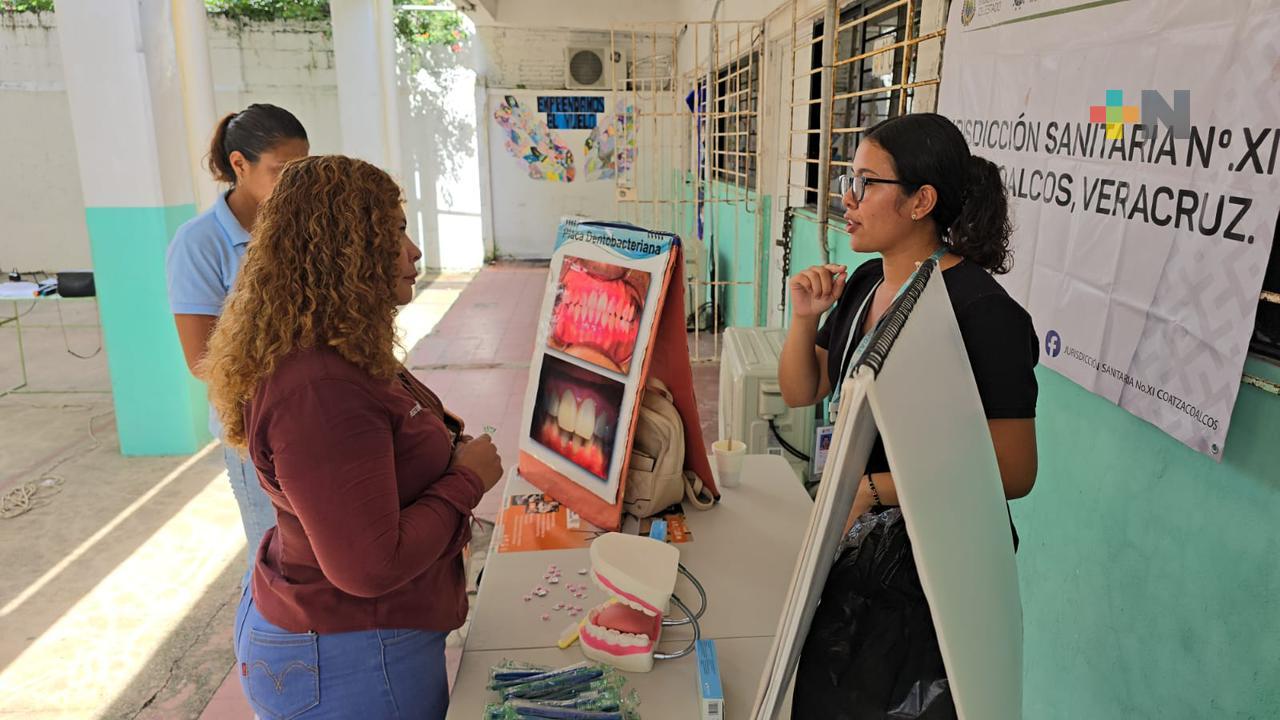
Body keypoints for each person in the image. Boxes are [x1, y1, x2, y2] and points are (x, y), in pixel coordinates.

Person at [202, 155, 504, 719]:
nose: (413, 251)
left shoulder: (340, 348)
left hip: (353, 639)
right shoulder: (319, 390)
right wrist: (467, 480)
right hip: (350, 653)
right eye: (394, 233)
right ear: (343, 251)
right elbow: (369, 567)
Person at [778, 112, 1039, 718]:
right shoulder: (868, 282)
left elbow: (1014, 471)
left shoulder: (982, 311)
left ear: (922, 201)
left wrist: (872, 489)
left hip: (927, 574)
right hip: (854, 552)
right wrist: (804, 318)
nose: (848, 198)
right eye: (849, 179)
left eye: (867, 182)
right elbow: (802, 389)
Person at [165, 104, 310, 573]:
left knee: (322, 554)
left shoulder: (301, 227)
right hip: (256, 430)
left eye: (302, 170)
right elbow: (202, 359)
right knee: (277, 559)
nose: (295, 185)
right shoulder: (199, 243)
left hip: (316, 412)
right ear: (239, 165)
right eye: (281, 171)